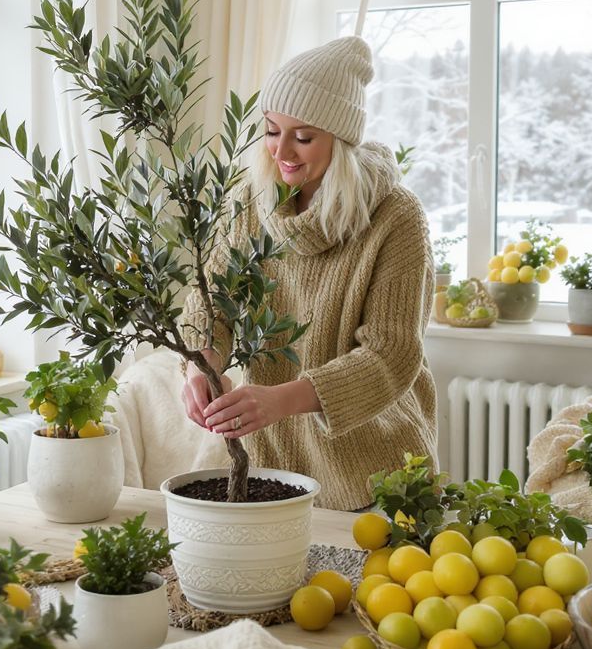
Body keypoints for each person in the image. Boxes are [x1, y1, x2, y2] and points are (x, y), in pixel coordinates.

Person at [180, 35, 438, 511]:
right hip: (274, 467)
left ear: (341, 140)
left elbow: (391, 352)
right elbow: (213, 299)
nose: (282, 151)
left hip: (377, 473)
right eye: (272, 130)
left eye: (303, 137)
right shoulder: (249, 202)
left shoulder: (396, 217)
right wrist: (202, 366)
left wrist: (281, 399)